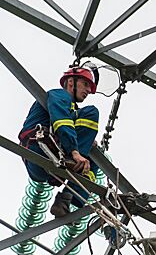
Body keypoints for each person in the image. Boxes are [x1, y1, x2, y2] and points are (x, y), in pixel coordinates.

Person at [19, 66, 100, 217]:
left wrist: (87, 141)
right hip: (39, 148)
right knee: (91, 112)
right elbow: (61, 121)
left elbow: (67, 122)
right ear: (71, 82)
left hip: (50, 161)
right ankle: (74, 161)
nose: (89, 90)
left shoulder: (72, 111)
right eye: (86, 84)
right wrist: (75, 152)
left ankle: (66, 199)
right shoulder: (59, 95)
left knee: (94, 161)